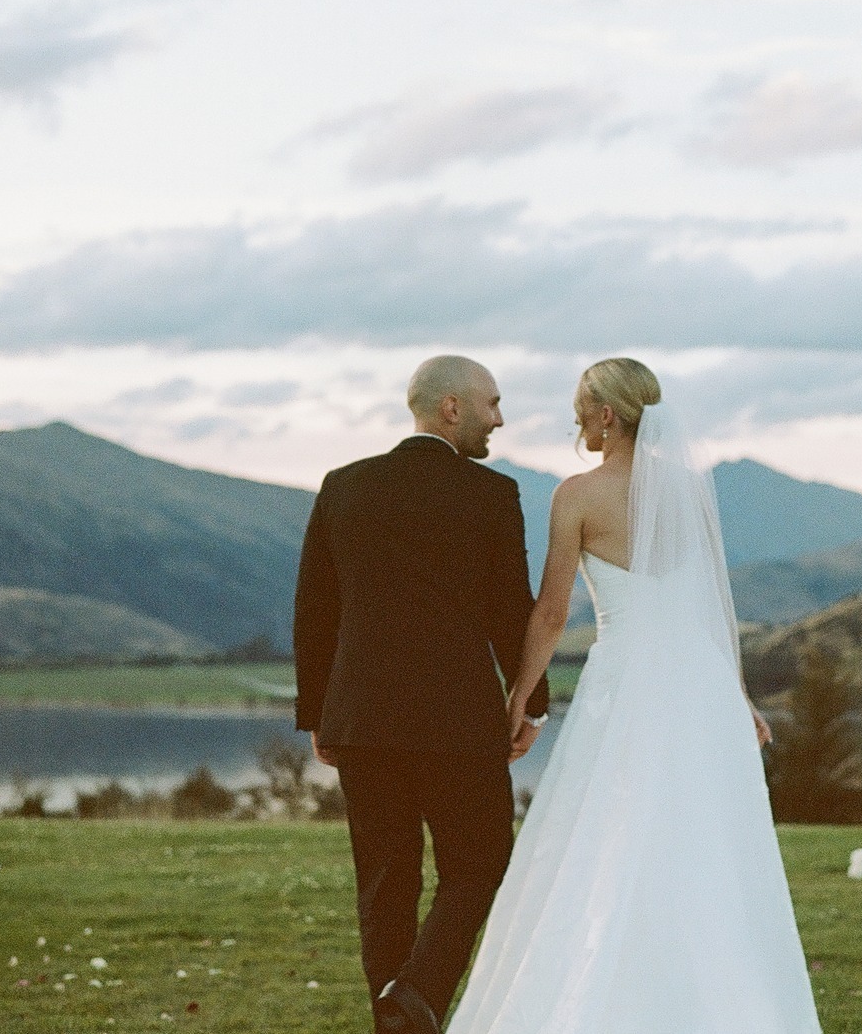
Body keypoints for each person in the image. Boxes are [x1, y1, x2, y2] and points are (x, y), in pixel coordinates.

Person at [446, 357, 824, 1034]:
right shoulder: (688, 490)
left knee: (608, 834)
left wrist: (520, 695)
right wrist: (737, 697)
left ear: (606, 415)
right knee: (702, 837)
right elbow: (710, 608)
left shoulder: (579, 496)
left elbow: (553, 614)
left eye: (578, 407)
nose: (573, 420)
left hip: (625, 683)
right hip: (699, 684)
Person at [292, 355, 550, 1034]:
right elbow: (510, 609)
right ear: (452, 409)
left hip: (362, 717)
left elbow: (315, 610)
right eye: (492, 403)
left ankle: (395, 1012)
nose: (501, 418)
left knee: (385, 877)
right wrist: (531, 699)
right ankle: (415, 997)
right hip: (457, 722)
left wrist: (317, 712)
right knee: (480, 861)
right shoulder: (492, 495)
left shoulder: (342, 485)